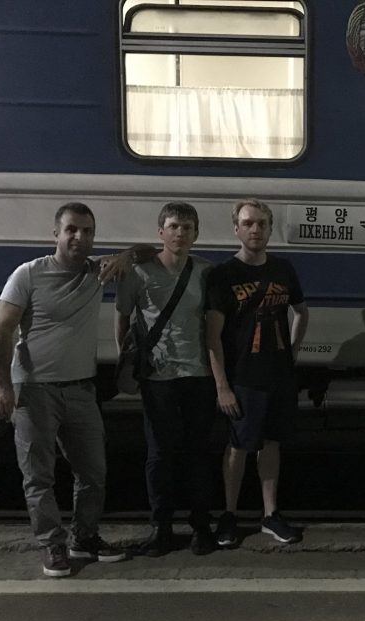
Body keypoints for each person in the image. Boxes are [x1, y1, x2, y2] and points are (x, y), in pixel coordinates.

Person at [0, 202, 127, 577]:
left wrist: (127, 255)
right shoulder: (28, 275)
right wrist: (3, 387)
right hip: (34, 390)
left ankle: (84, 537)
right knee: (39, 475)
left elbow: (146, 253)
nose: (79, 238)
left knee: (93, 472)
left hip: (81, 389)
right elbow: (2, 332)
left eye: (87, 231)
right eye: (71, 230)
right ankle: (53, 546)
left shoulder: (98, 271)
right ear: (56, 234)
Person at [114, 202, 219, 557]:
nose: (180, 233)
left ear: (196, 234)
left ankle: (200, 526)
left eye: (187, 228)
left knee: (198, 453)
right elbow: (124, 320)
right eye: (173, 226)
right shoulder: (139, 274)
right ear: (160, 232)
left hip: (198, 373)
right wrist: (130, 359)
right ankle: (161, 526)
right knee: (159, 454)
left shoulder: (207, 272)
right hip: (157, 377)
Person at [205, 199, 309, 544]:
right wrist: (222, 386)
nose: (256, 230)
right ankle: (229, 515)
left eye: (262, 224)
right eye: (248, 223)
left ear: (270, 228)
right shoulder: (224, 275)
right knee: (238, 446)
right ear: (236, 229)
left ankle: (269, 514)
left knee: (272, 442)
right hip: (243, 376)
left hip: (278, 375)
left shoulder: (284, 268)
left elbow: (302, 312)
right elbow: (212, 336)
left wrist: (291, 352)